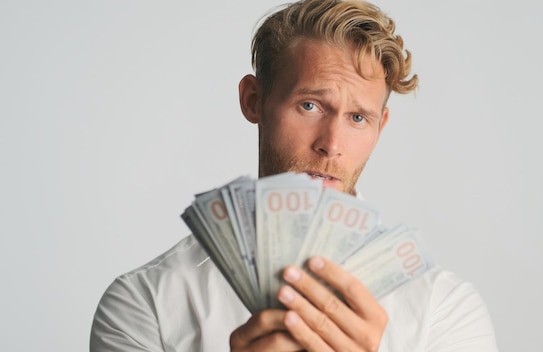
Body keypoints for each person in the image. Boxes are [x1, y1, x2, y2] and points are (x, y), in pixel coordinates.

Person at [90, 0, 499, 351]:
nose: (331, 143)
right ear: (254, 100)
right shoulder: (146, 302)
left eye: (358, 117)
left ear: (380, 127)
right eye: (310, 106)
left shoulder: (445, 307)